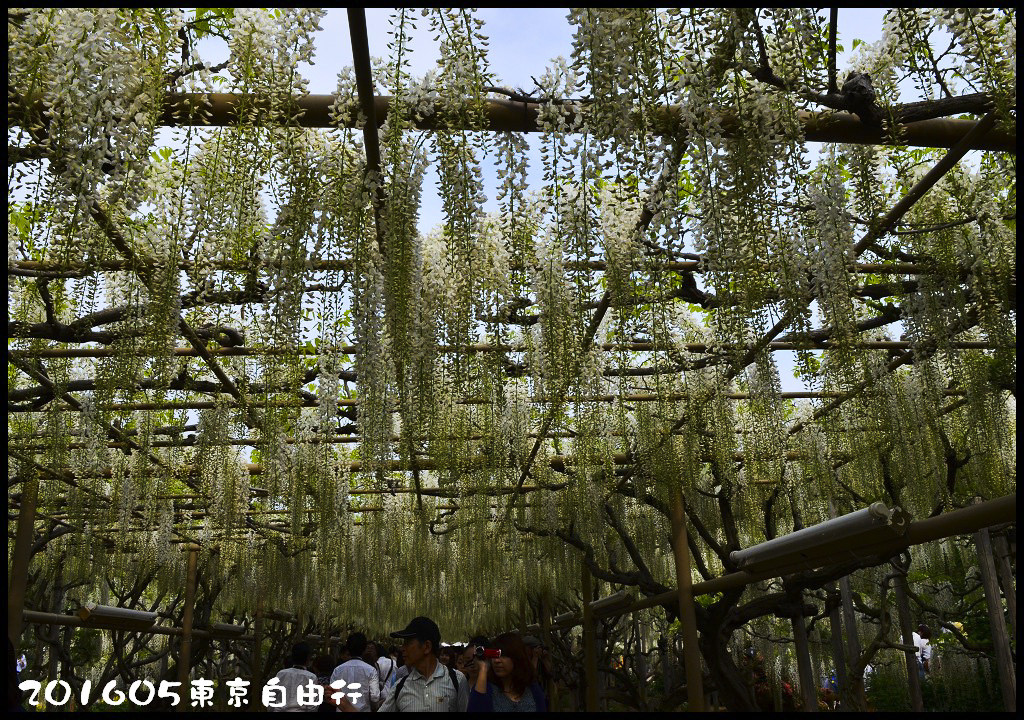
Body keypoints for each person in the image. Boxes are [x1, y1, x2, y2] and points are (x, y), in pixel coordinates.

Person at [378, 616, 469, 712]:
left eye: (408, 642)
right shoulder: (400, 686)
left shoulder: (457, 680)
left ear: (427, 647)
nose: (402, 648)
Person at [468, 632, 547, 712]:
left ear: (516, 657)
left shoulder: (532, 689)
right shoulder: (487, 689)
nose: (496, 661)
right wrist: (483, 669)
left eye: (503, 655)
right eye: (494, 656)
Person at [330, 633, 381, 712]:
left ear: (348, 649)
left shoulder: (338, 670)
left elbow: (332, 694)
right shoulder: (371, 670)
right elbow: (375, 697)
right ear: (364, 649)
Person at [270, 642, 319, 712]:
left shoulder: (281, 674)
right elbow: (312, 705)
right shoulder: (311, 677)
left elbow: (272, 697)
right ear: (308, 658)